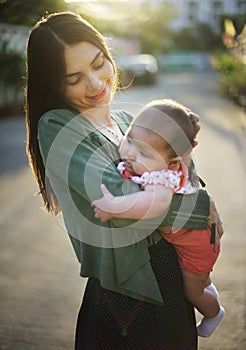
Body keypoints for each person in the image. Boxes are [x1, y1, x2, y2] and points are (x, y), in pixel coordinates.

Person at [25, 11, 223, 349]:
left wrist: (179, 184)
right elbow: (125, 200)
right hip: (128, 297)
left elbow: (186, 174)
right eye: (74, 79)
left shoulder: (127, 119)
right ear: (53, 85)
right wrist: (201, 210)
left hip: (174, 283)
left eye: (99, 62)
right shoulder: (58, 128)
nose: (96, 83)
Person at [92, 98, 225, 337]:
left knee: (192, 290)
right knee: (200, 278)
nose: (131, 153)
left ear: (172, 162)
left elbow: (153, 205)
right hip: (191, 235)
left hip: (197, 245)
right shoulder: (151, 162)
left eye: (143, 152)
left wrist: (114, 206)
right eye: (130, 140)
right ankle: (204, 280)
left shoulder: (163, 177)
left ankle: (214, 313)